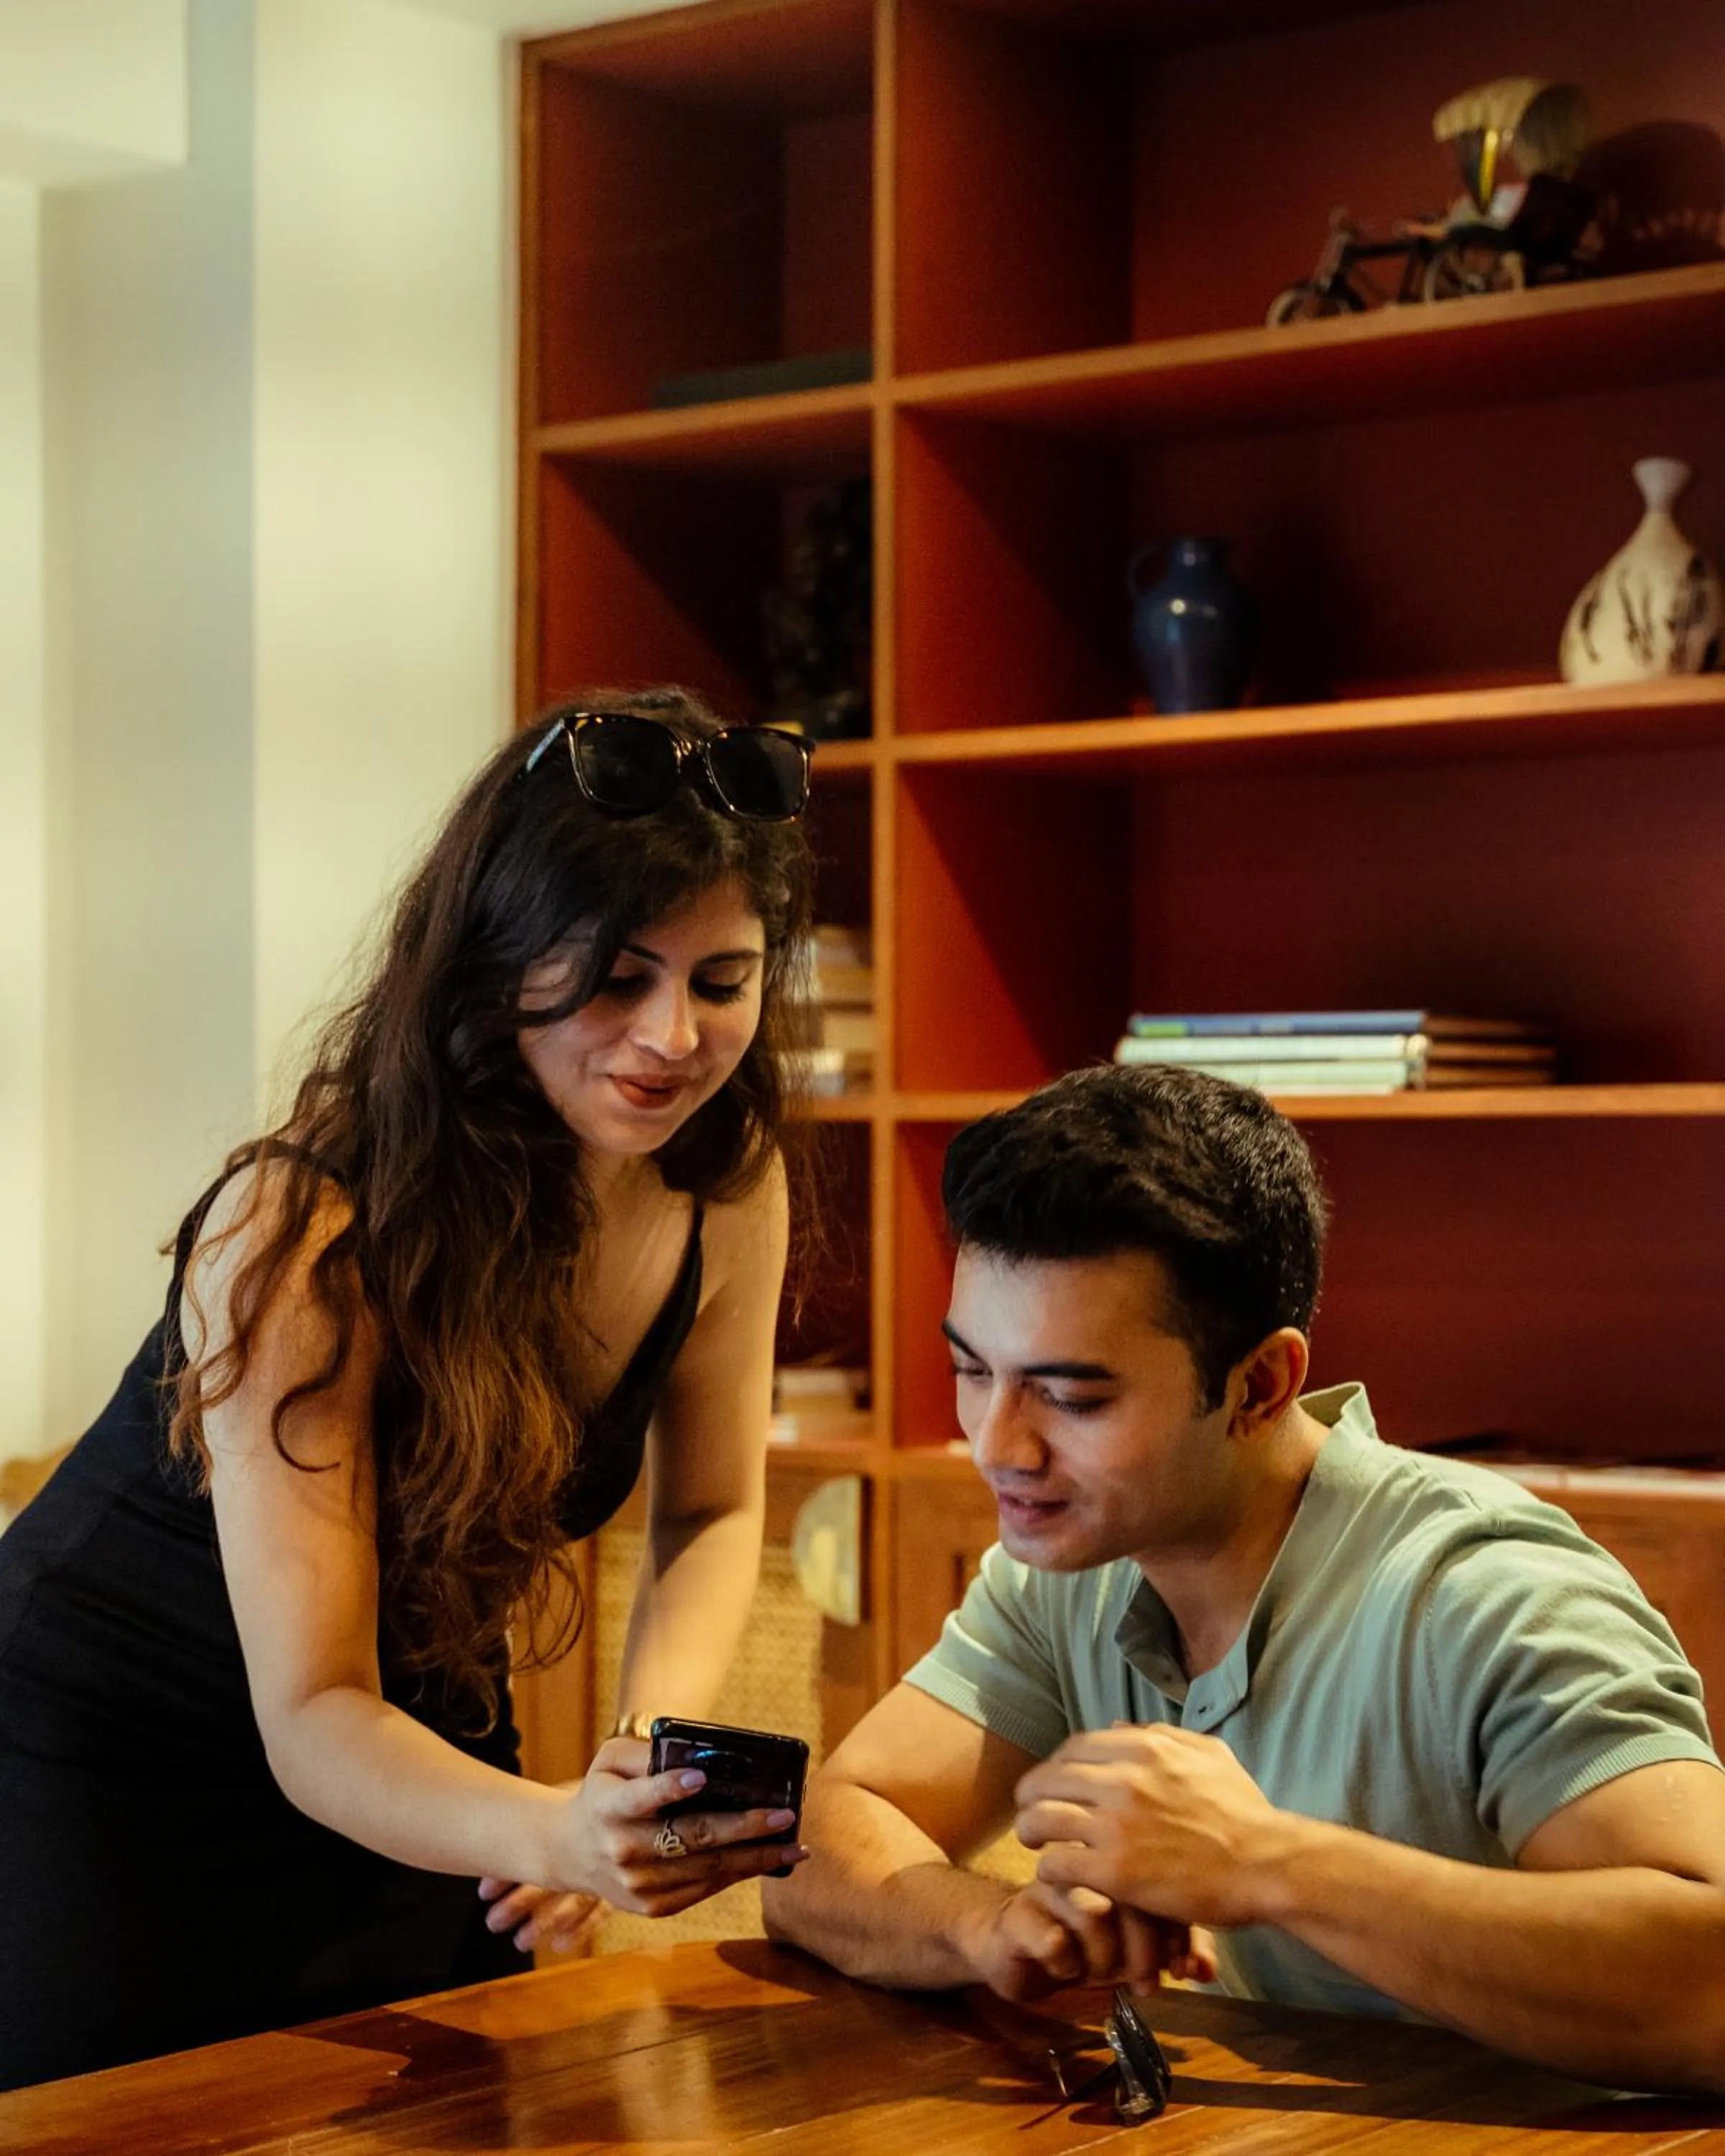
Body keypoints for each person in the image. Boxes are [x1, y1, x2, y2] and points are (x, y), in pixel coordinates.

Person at [0, 688, 821, 2089]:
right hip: (113, 1755)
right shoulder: (302, 1226)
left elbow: (713, 1512)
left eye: (722, 981)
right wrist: (544, 1831)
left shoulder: (722, 1188)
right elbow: (312, 1705)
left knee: (460, 2106)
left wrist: (629, 1778)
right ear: (497, 963)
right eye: (617, 977)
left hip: (411, 1717)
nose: (674, 1036)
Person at [763, 1064, 1725, 2096]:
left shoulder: (1491, 1593)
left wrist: (1265, 1863)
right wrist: (987, 1926)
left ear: (1261, 1386)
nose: (999, 1445)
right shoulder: (1069, 1567)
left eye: (1072, 1398)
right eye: (972, 1371)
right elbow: (811, 1848)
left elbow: (1710, 1985)